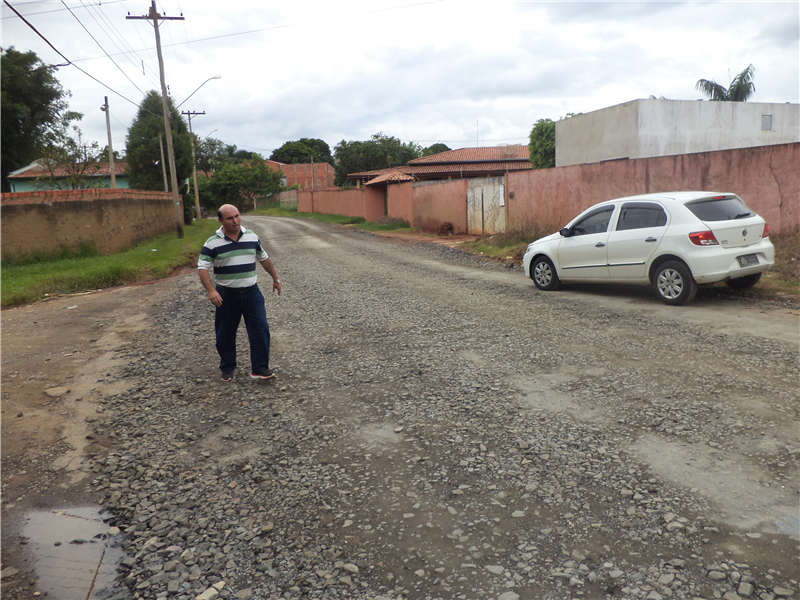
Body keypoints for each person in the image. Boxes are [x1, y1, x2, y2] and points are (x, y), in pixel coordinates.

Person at [198, 204, 282, 381]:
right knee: (225, 332)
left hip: (252, 293)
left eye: (237, 216)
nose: (235, 220)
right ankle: (227, 367)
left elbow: (263, 258)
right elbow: (202, 268)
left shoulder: (251, 236)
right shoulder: (212, 242)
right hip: (226, 296)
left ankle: (259, 368)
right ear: (220, 220)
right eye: (230, 218)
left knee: (260, 329)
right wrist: (211, 291)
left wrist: (275, 278)